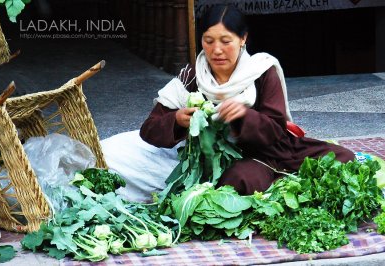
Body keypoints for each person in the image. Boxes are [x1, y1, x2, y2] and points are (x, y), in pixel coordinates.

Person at [138, 4, 355, 195]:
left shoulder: (261, 70)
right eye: (209, 40)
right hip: (231, 160)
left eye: (226, 41)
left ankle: (277, 177)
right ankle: (274, 180)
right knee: (237, 182)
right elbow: (149, 129)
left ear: (243, 39)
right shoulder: (191, 75)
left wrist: (244, 116)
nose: (217, 50)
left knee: (344, 158)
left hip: (274, 149)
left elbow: (276, 129)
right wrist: (176, 119)